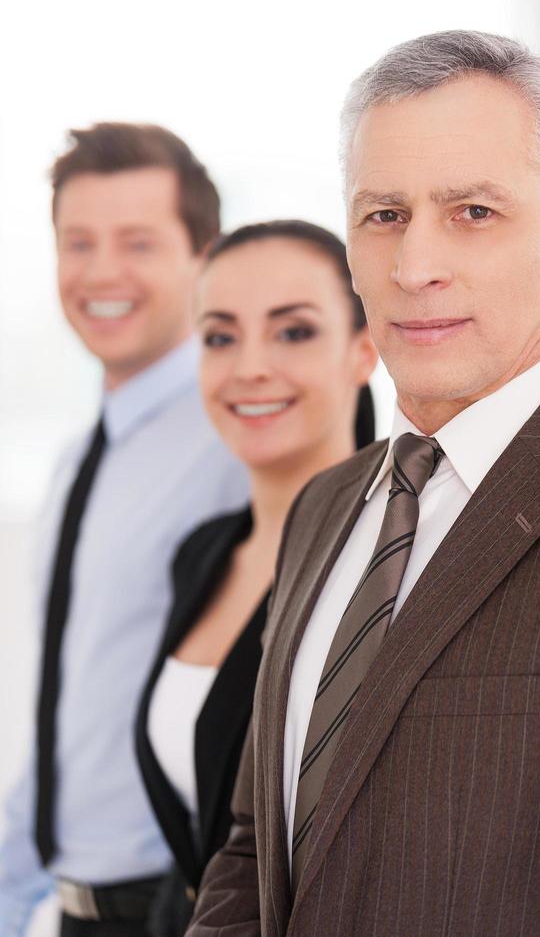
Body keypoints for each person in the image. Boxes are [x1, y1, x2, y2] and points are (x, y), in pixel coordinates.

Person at [188, 31, 540, 937]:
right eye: (384, 215)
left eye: (474, 211)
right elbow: (257, 846)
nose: (415, 267)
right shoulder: (328, 505)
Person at [0, 123, 249, 937]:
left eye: (136, 242)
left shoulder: (241, 439)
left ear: (202, 254)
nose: (101, 272)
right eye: (78, 243)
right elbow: (80, 700)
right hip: (71, 906)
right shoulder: (77, 459)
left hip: (173, 906)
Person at [134, 219, 377, 935]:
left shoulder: (389, 564)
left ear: (364, 351)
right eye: (219, 336)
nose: (249, 367)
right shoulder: (203, 554)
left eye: (293, 332)